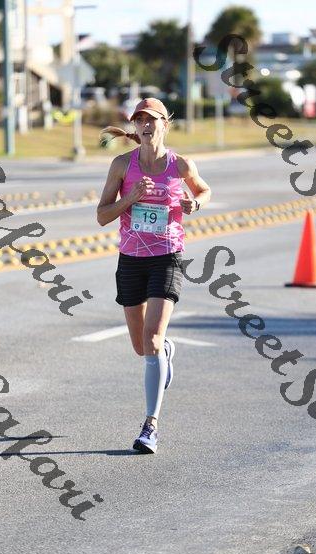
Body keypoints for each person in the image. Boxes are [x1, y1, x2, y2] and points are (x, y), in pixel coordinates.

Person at [97, 97, 211, 454]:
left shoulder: (180, 165)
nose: (146, 125)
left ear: (165, 124)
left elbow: (203, 190)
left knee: (152, 339)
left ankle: (150, 426)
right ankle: (164, 352)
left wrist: (196, 203)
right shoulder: (122, 165)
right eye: (140, 119)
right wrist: (129, 197)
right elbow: (102, 215)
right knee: (141, 347)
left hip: (167, 257)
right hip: (131, 259)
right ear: (135, 125)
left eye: (152, 119)